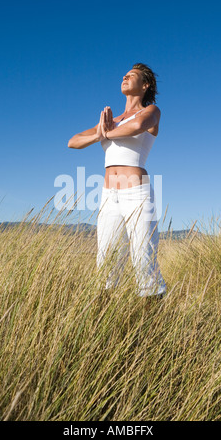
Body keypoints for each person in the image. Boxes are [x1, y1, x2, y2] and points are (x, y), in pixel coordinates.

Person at [68, 63, 166, 297]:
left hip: (137, 194)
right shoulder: (112, 120)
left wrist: (104, 133)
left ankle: (155, 325)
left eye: (131, 76)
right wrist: (100, 132)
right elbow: (73, 141)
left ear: (145, 85)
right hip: (108, 196)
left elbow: (137, 126)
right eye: (124, 75)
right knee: (107, 262)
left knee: (144, 260)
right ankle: (107, 325)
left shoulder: (151, 111)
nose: (124, 77)